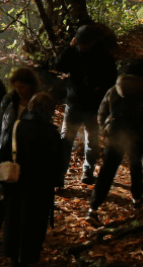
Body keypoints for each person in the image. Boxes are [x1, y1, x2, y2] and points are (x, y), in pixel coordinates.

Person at [87, 60, 143, 225]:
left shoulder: (116, 88)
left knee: (107, 171)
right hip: (138, 134)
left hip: (115, 132)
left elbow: (102, 112)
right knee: (136, 167)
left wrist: (105, 129)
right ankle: (137, 200)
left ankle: (93, 209)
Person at [0, 92, 62, 267]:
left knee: (15, 225)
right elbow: (57, 166)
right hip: (40, 190)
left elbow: (4, 153)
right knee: (32, 229)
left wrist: (0, 185)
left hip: (16, 186)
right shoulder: (52, 133)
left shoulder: (17, 126)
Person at [0, 67, 40, 246]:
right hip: (4, 150)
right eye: (16, 87)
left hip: (25, 155)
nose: (18, 90)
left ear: (30, 85)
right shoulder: (9, 99)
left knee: (17, 195)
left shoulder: (38, 101)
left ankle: (14, 237)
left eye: (22, 87)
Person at [50, 24, 116, 184]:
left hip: (93, 106)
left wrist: (99, 91)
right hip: (74, 105)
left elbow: (112, 79)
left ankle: (87, 172)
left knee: (92, 141)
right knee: (66, 141)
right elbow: (58, 66)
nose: (83, 46)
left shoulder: (104, 56)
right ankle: (59, 176)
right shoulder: (74, 51)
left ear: (93, 41)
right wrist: (69, 48)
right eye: (80, 43)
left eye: (86, 43)